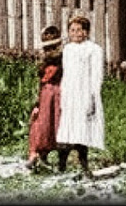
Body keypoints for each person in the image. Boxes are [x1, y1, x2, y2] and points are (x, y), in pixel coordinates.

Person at [55, 13, 105, 176]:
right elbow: (66, 74)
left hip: (84, 94)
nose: (75, 34)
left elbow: (97, 76)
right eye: (71, 30)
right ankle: (61, 165)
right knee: (66, 130)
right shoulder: (68, 49)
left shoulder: (93, 50)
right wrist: (63, 95)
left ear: (86, 32)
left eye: (78, 30)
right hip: (70, 94)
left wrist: (92, 98)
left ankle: (84, 165)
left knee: (82, 132)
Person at [26, 26, 66, 172]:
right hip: (49, 94)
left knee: (54, 124)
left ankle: (55, 158)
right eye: (48, 48)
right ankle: (39, 155)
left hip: (55, 93)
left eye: (53, 47)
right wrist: (37, 102)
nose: (50, 51)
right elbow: (41, 82)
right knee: (44, 124)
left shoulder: (60, 62)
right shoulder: (45, 64)